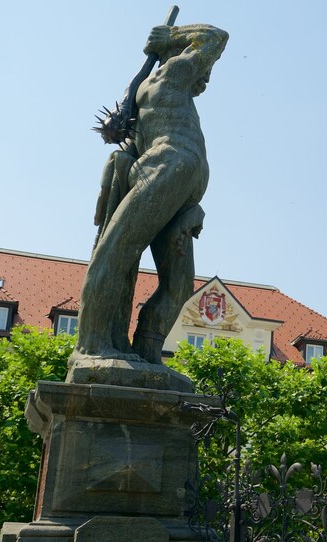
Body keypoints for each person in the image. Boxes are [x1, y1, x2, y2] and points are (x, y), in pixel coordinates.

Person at [72, 23, 228, 367]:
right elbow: (216, 37)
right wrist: (170, 38)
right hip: (172, 164)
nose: (206, 78)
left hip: (183, 179)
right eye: (205, 70)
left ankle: (146, 351)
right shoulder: (171, 73)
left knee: (180, 284)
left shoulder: (156, 94)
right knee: (117, 250)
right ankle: (94, 345)